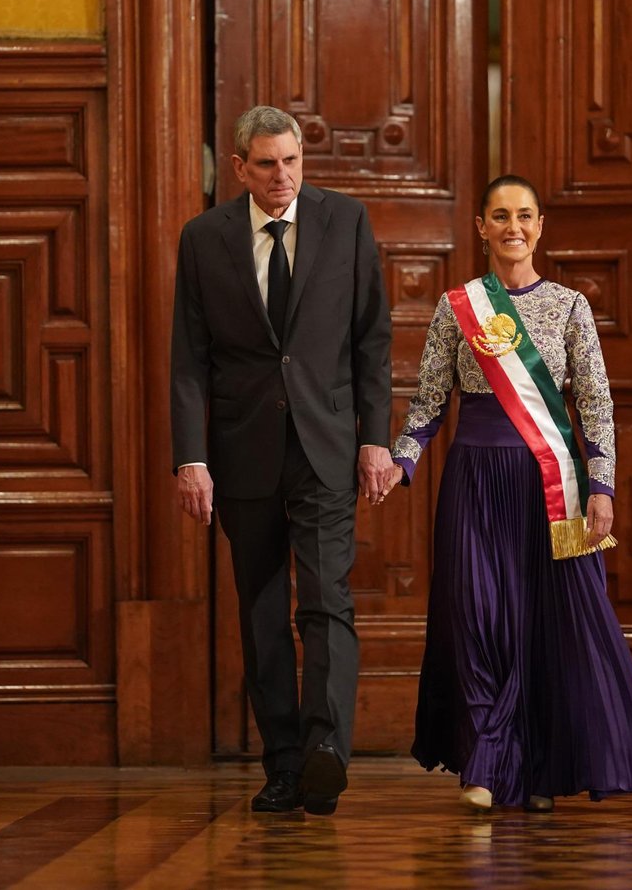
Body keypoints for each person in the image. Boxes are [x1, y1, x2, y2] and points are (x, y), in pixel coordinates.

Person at [382, 174, 632, 812]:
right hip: (473, 482)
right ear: (482, 228)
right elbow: (429, 399)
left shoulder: (571, 307)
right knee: (475, 618)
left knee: (542, 625)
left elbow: (595, 404)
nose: (512, 227)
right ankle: (488, 762)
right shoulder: (456, 306)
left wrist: (602, 488)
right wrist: (401, 459)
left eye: (524, 216)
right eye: (500, 216)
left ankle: (534, 770)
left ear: (540, 227)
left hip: (551, 488)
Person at [171, 105, 394, 816]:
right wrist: (191, 457)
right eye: (267, 164)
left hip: (326, 447)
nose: (282, 177)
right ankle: (284, 765)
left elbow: (372, 340)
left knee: (326, 601)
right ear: (240, 168)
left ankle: (326, 753)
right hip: (243, 453)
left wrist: (376, 438)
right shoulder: (203, 238)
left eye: (292, 161)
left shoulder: (345, 221)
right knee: (263, 612)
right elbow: (189, 359)